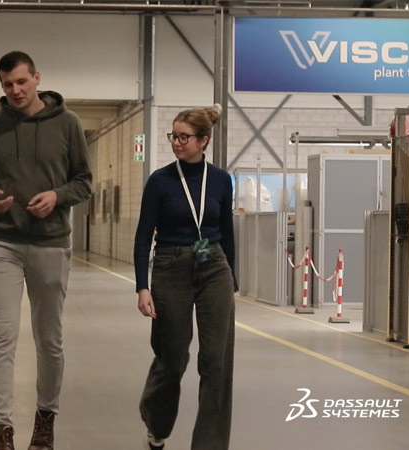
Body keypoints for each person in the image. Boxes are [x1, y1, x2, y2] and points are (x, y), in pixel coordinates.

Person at [0, 50, 92, 450]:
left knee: (49, 338)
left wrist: (57, 196)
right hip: (1, 240)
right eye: (7, 85)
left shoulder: (68, 124)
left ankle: (45, 417)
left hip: (51, 241)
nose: (15, 90)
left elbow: (84, 182)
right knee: (1, 335)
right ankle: (1, 429)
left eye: (21, 82)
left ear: (37, 78)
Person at [133, 105, 236, 450]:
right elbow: (143, 235)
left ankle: (209, 444)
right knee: (172, 357)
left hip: (214, 267)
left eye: (184, 137)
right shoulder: (160, 181)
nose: (176, 142)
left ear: (203, 140)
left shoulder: (220, 180)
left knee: (216, 361)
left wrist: (231, 279)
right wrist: (142, 286)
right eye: (173, 136)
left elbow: (226, 231)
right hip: (170, 265)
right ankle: (157, 423)